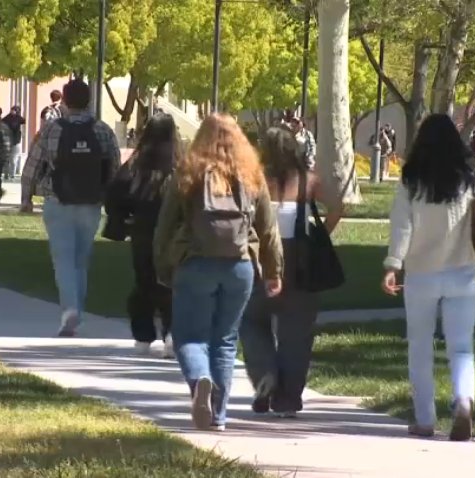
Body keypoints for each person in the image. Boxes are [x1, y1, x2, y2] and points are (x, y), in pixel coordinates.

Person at [153, 113, 283, 432]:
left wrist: (162, 267)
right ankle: (219, 416)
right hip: (240, 265)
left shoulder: (188, 172)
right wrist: (273, 270)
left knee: (189, 336)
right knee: (225, 340)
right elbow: (268, 229)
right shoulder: (252, 174)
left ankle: (200, 380)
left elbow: (165, 226)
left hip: (194, 262)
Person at [381, 114, 475, 442]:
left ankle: (425, 419)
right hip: (463, 271)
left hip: (421, 274)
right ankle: (463, 400)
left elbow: (402, 226)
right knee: (461, 347)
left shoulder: (411, 178)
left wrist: (393, 265)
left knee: (420, 347)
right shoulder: (472, 175)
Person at [241, 125, 343, 418]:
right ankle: (287, 401)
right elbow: (338, 206)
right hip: (300, 264)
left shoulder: (254, 180)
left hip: (260, 261)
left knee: (251, 321)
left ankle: (264, 374)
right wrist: (321, 232)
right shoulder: (308, 181)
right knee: (296, 335)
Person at [21, 80, 121, 337]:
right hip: (90, 203)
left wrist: (26, 197)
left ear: (64, 101)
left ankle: (70, 309)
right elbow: (114, 168)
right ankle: (78, 308)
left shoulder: (52, 129)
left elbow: (33, 165)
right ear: (89, 101)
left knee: (63, 259)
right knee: (81, 260)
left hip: (58, 201)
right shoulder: (103, 130)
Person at [105, 114, 181, 358]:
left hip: (143, 230)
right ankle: (172, 333)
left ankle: (143, 335)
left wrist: (124, 217)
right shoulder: (181, 162)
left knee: (144, 282)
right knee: (172, 285)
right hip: (175, 233)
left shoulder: (138, 162)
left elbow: (116, 192)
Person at [2, 106, 26, 181]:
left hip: (16, 141)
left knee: (13, 159)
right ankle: (6, 174)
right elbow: (2, 123)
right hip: (8, 140)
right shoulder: (7, 118)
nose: (13, 112)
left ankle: (12, 175)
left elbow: (23, 122)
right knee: (7, 159)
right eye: (12, 110)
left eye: (14, 110)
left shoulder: (19, 119)